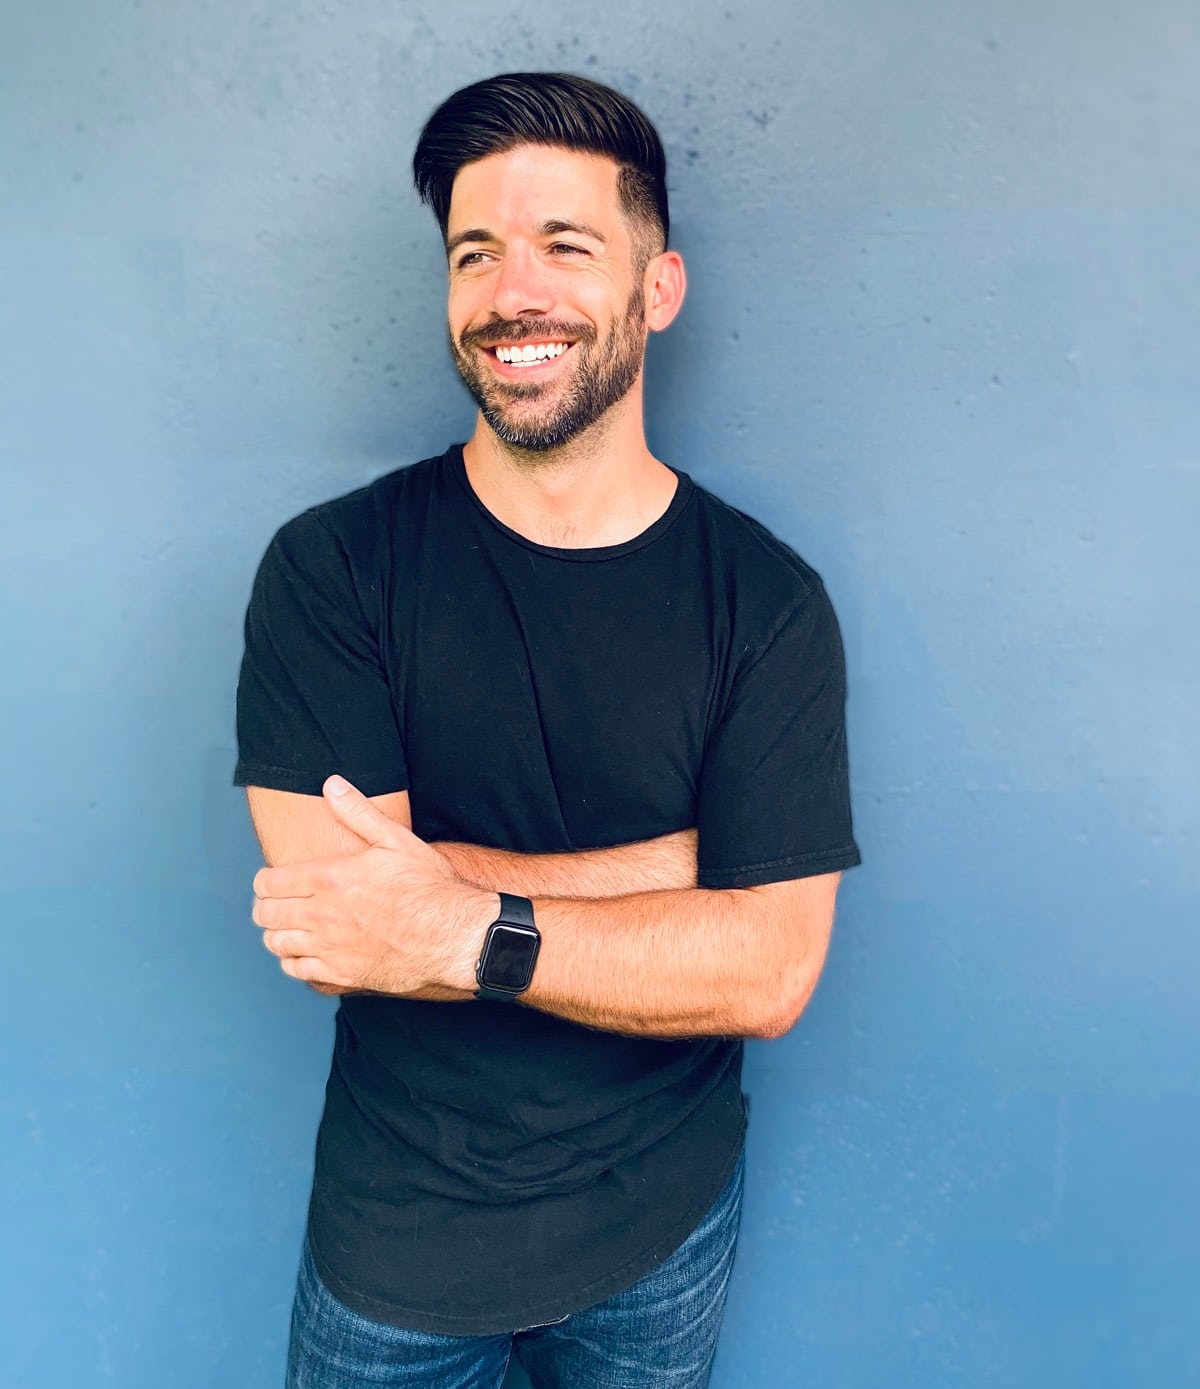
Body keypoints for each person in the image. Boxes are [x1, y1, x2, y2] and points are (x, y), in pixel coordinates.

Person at [235, 71, 860, 1389]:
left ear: (657, 286)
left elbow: (769, 974)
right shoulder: (335, 568)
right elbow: (339, 925)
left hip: (661, 1228)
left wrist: (455, 917)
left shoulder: (765, 603)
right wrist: (690, 869)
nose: (513, 292)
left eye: (565, 245)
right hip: (397, 1239)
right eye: (476, 253)